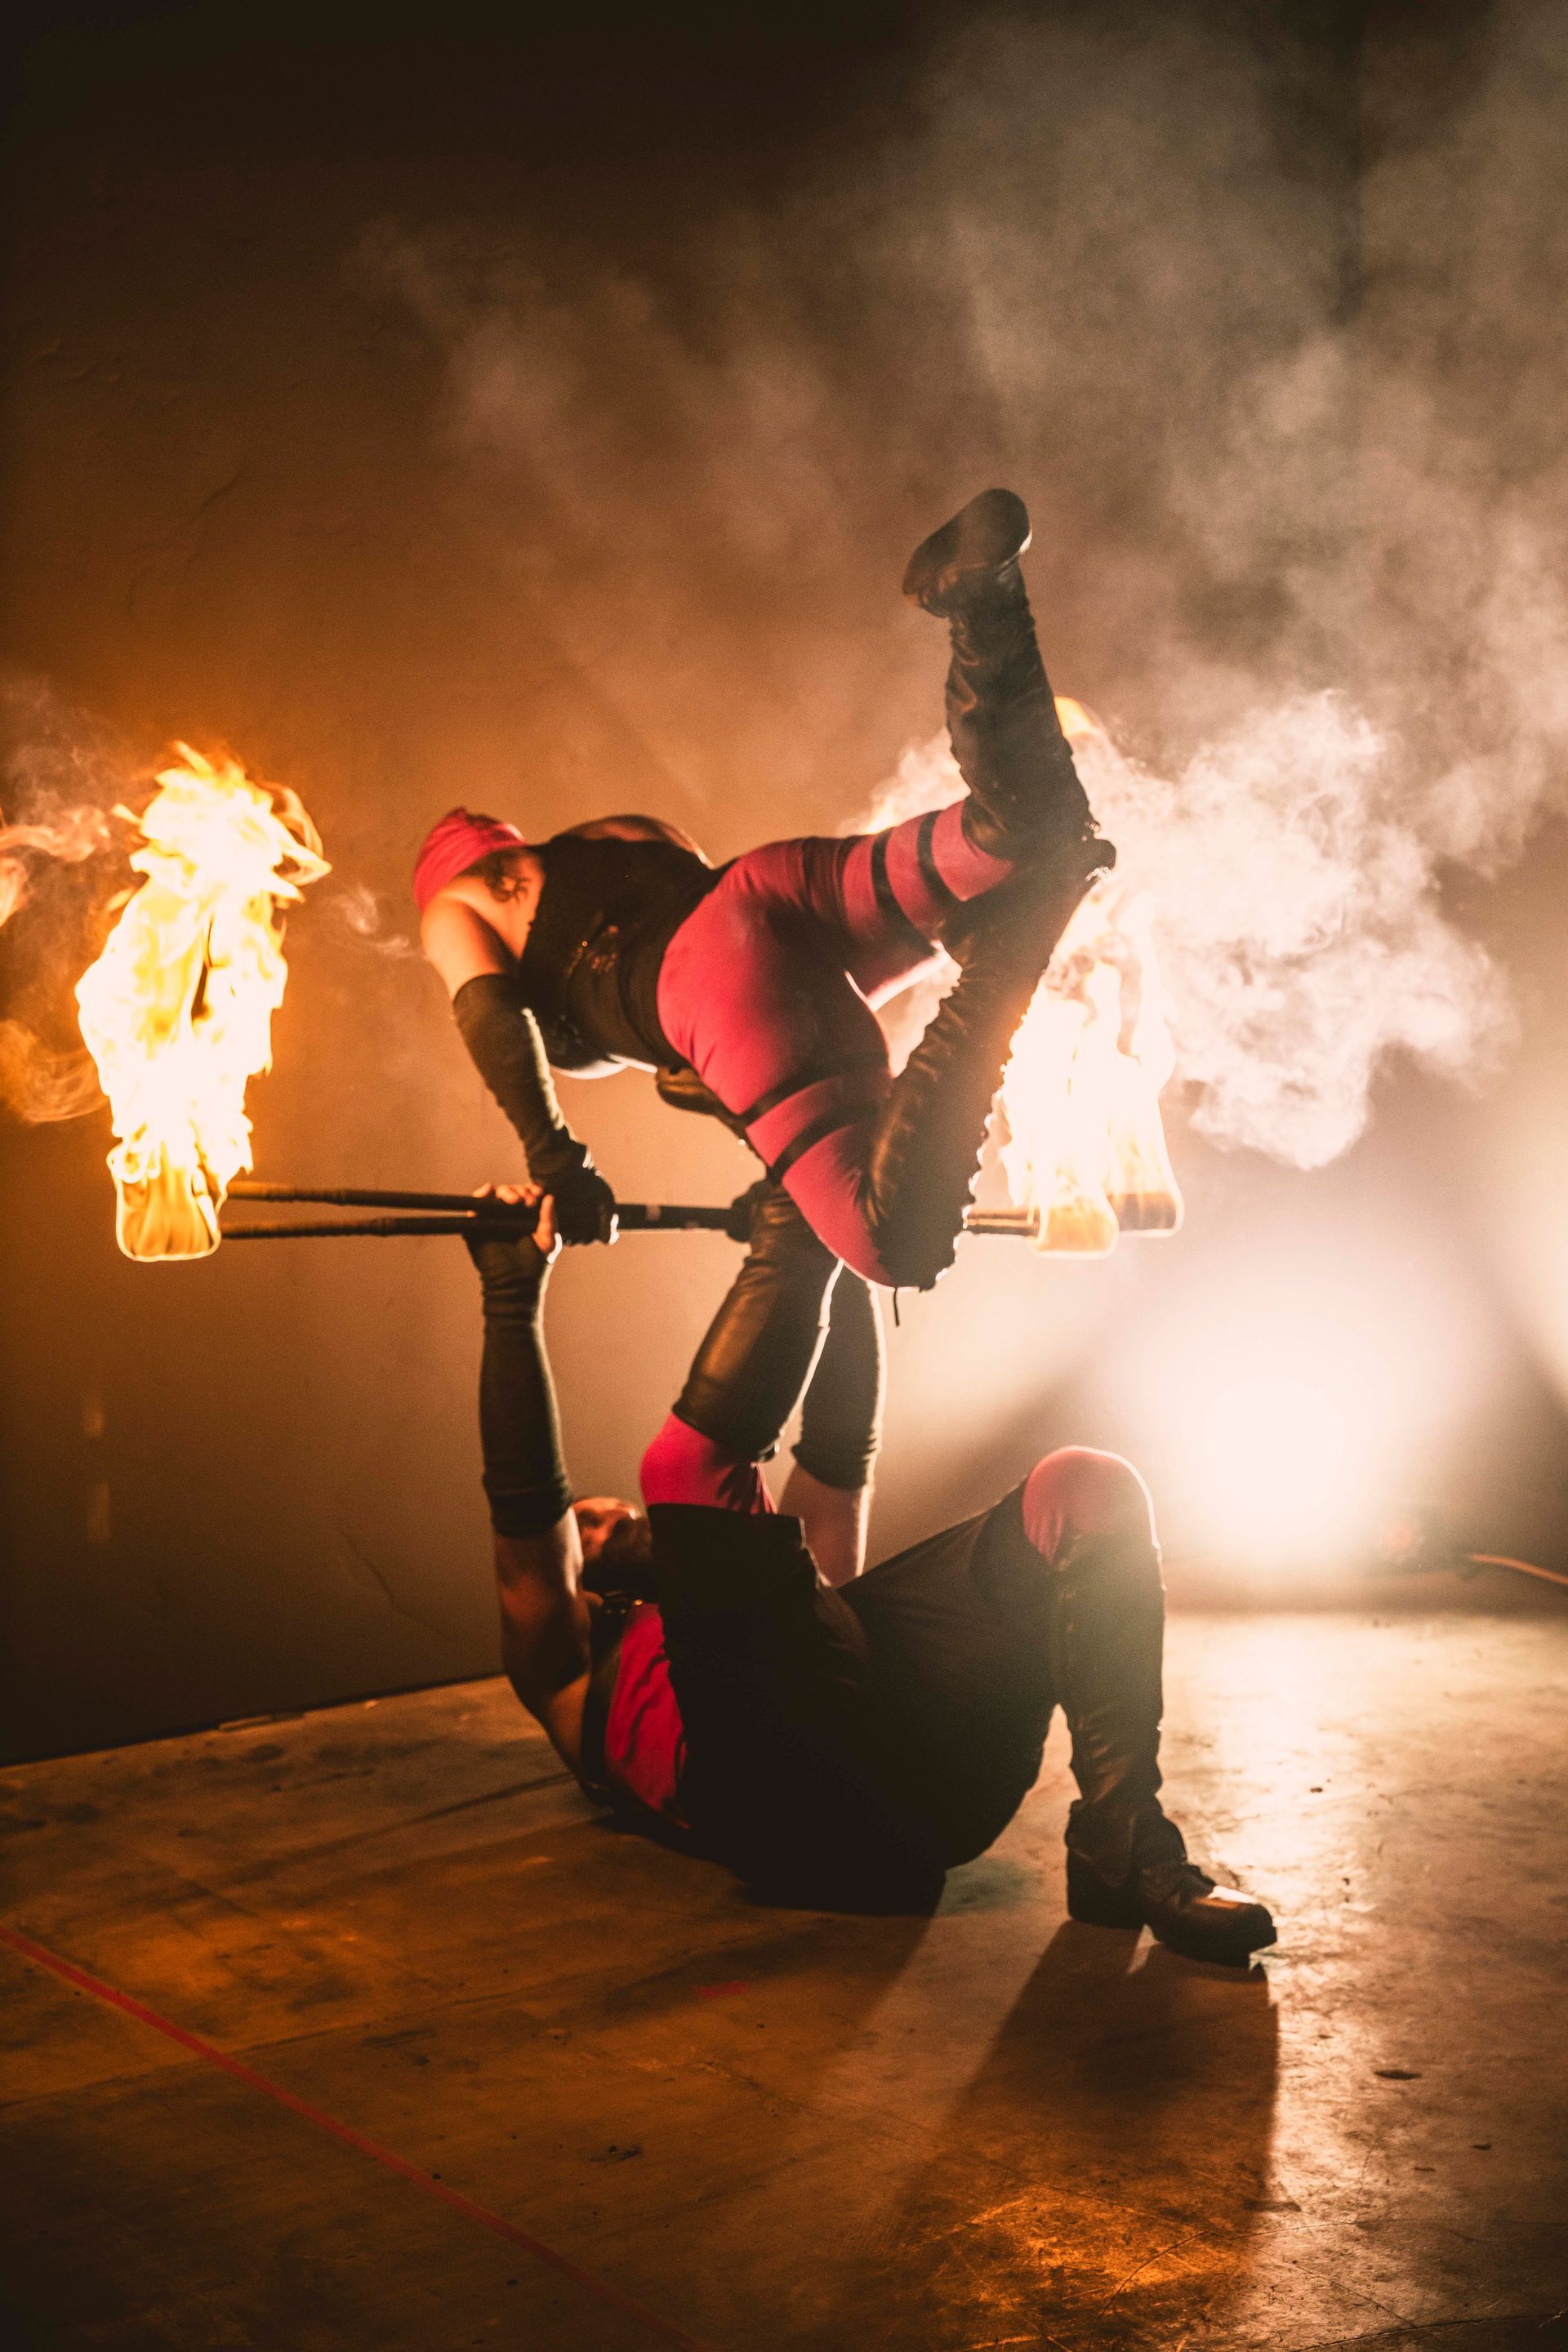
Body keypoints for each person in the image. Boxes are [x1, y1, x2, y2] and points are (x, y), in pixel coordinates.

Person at [463, 1178, 1278, 1966]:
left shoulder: (783, 1615)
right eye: (590, 1528)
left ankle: (1119, 1848)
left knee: (1084, 1487)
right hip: (803, 1819)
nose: (608, 1520)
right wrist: (511, 1295)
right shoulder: (569, 1673)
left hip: (935, 1770)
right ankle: (798, 1222)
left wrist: (836, 1240)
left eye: (608, 1511)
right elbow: (527, 1501)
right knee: (685, 1468)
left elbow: (839, 1448)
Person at [416, 488, 1113, 1297]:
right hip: (781, 888)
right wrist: (787, 1174)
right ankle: (983, 593)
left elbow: (494, 1020)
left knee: (896, 1243)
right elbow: (778, 983)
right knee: (1024, 836)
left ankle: (1008, 957)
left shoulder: (457, 904)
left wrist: (559, 1165)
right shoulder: (614, 833)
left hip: (718, 983)